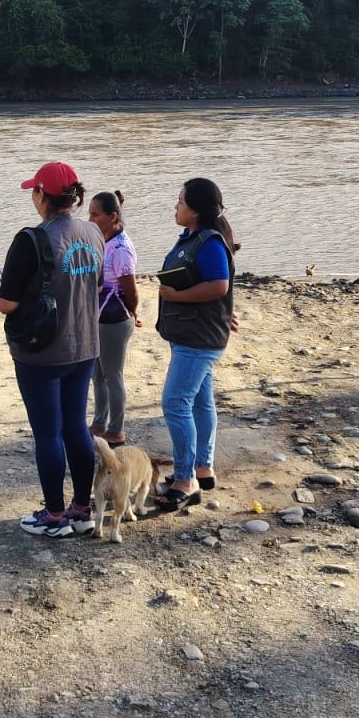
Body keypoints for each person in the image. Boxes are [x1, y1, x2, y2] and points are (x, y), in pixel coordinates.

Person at [0, 162, 104, 538]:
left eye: (34, 191)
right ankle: (82, 508)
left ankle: (55, 515)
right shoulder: (93, 231)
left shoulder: (31, 239)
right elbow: (97, 283)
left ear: (42, 196)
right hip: (86, 345)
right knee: (76, 426)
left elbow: (5, 303)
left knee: (47, 433)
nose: (32, 197)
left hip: (42, 351)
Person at [153, 178, 235, 510]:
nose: (176, 206)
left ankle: (186, 481)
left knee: (175, 402)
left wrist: (177, 296)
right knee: (200, 401)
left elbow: (219, 285)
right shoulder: (196, 238)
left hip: (198, 340)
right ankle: (203, 467)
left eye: (180, 201)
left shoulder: (210, 242)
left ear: (196, 210)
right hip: (193, 335)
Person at [87, 190, 141, 446]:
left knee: (113, 375)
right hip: (99, 319)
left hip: (114, 321)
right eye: (89, 213)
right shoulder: (103, 240)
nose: (90, 219)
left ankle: (116, 428)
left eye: (95, 215)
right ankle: (100, 422)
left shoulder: (120, 249)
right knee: (98, 375)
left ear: (112, 216)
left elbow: (131, 291)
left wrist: (132, 311)